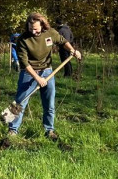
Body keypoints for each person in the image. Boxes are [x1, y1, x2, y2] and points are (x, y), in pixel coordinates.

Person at [8, 12, 81, 140]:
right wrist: (37, 78)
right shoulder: (23, 39)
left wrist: (72, 50)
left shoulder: (50, 33)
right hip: (29, 73)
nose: (33, 32)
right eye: (31, 29)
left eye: (36, 29)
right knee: (20, 102)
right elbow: (24, 63)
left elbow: (63, 41)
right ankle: (12, 129)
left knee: (49, 104)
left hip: (48, 71)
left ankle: (49, 130)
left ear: (42, 25)